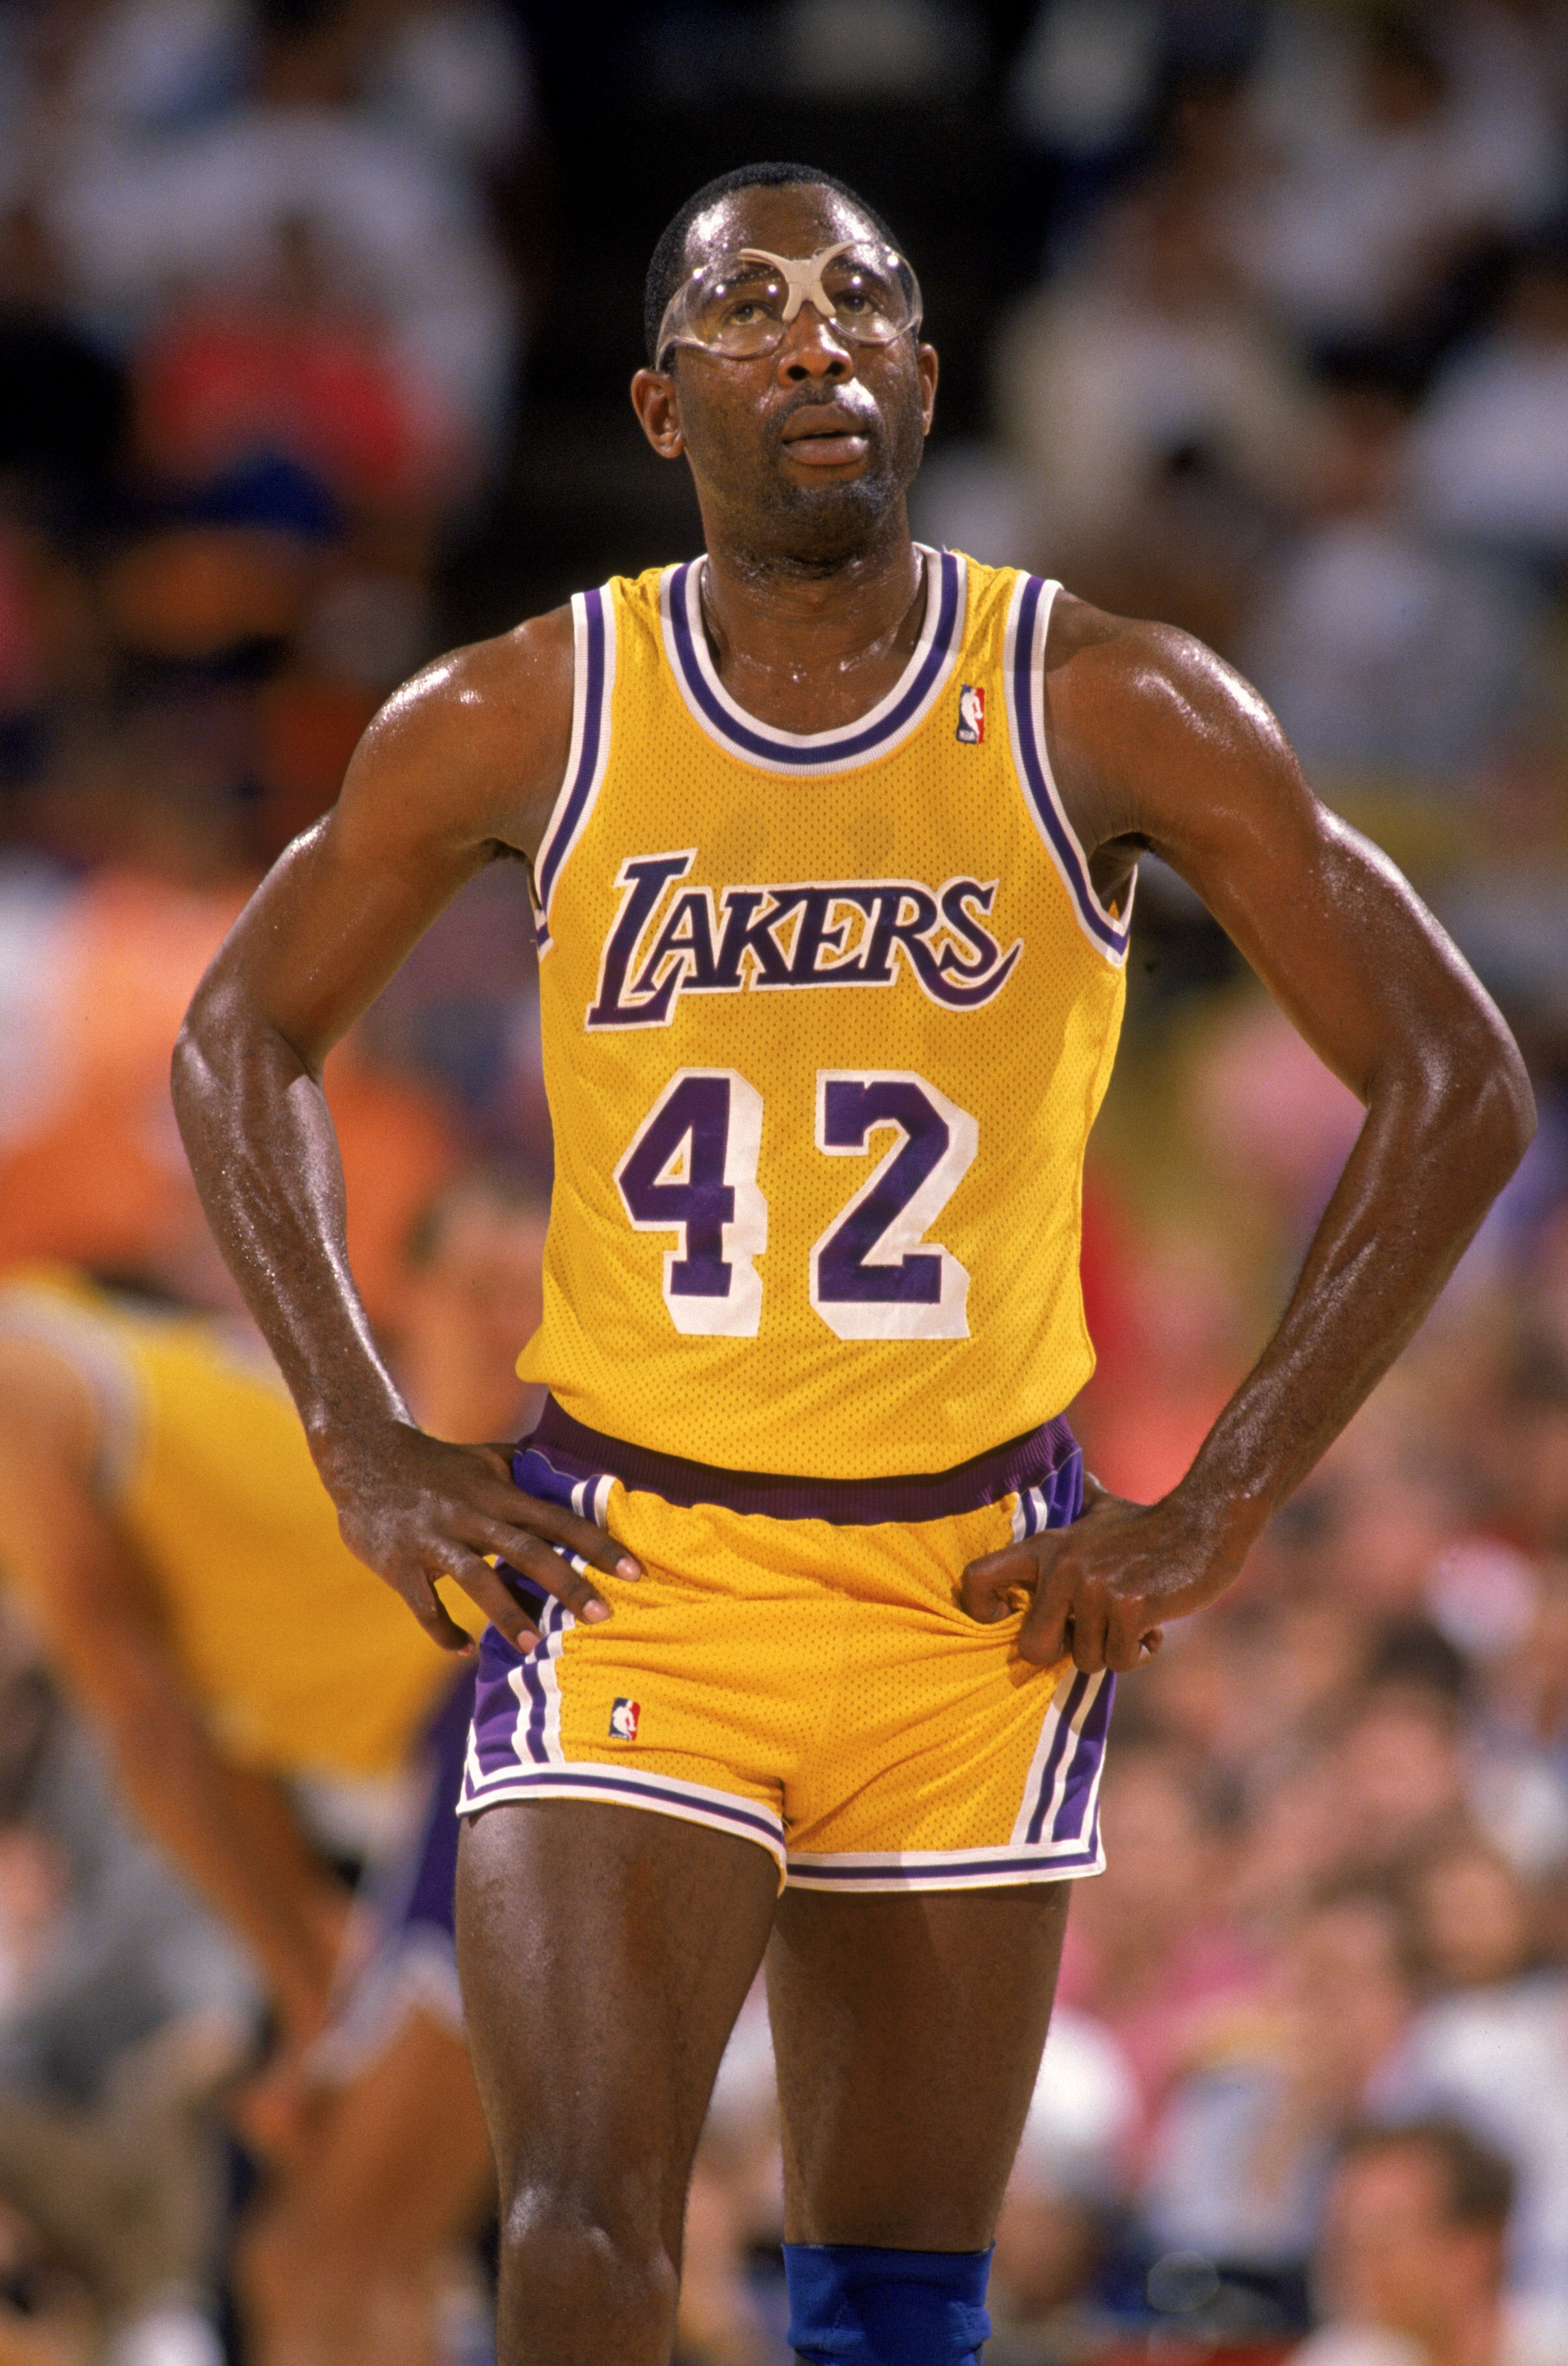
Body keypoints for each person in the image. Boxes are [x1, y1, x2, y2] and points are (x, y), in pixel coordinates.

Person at [172, 160, 1532, 2366]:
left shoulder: (1110, 702)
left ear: (920, 365)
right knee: (579, 2232)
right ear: (652, 398)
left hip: (971, 1594)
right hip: (643, 1566)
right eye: (751, 308)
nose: (813, 337)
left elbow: (1453, 1075)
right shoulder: (528, 707)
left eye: (864, 300)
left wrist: (1224, 1501)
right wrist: (359, 1432)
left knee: (893, 2303)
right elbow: (241, 1030)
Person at [0, 1216, 543, 2366]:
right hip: (438, 1739)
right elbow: (199, 1733)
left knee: (346, 2259)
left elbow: (153, 1735)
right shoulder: (60, 1340)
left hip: (493, 1699)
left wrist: (309, 1991)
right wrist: (308, 1965)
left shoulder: (17, 1386)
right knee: (309, 2259)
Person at [1291, 2119, 1568, 2366]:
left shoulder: (1554, 2353)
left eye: (1382, 2235)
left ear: (1475, 2248)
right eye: (1343, 2237)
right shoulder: (1338, 2357)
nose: (1352, 2263)